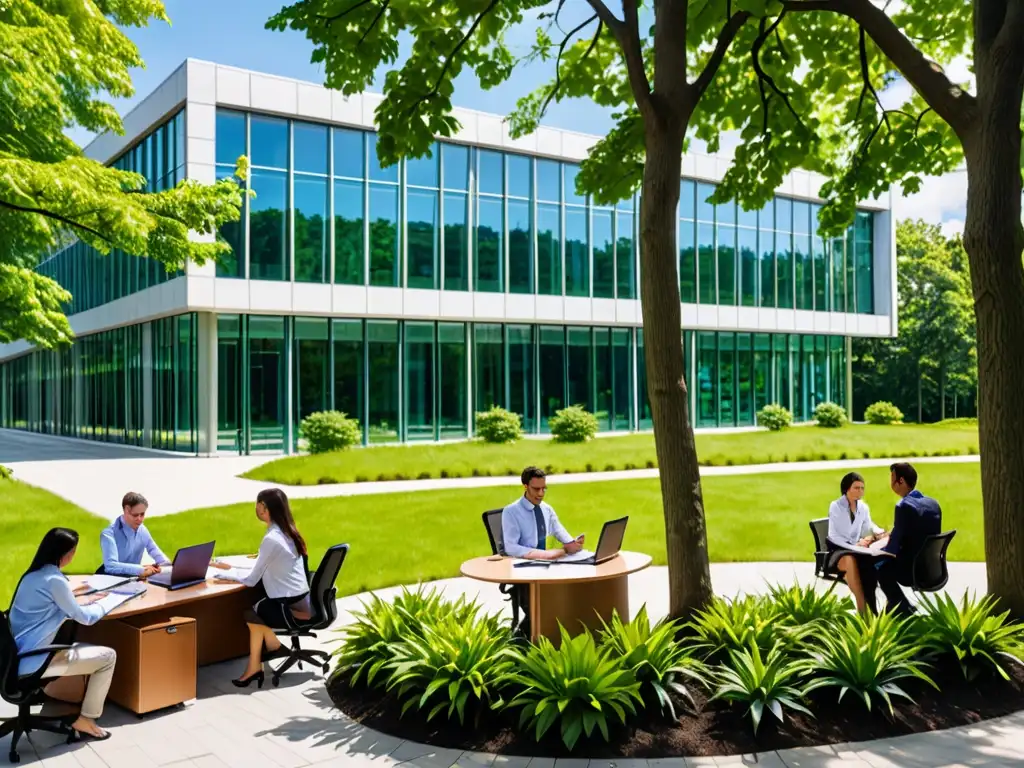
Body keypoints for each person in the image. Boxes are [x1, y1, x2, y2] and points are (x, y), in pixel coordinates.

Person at [8, 528, 118, 741]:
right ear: (65, 553)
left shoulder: (32, 576)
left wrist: (77, 599)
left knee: (78, 644)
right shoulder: (55, 581)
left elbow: (51, 606)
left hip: (14, 658)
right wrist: (107, 603)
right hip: (34, 661)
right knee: (108, 657)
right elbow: (85, 618)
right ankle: (87, 718)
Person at [209, 488, 311, 688]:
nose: (255, 508)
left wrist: (220, 574)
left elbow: (251, 580)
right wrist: (230, 567)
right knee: (256, 609)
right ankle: (263, 656)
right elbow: (263, 567)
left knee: (251, 612)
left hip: (289, 608)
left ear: (264, 508)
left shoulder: (272, 539)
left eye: (257, 504)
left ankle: (264, 656)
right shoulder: (288, 531)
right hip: (302, 601)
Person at [501, 467, 585, 637]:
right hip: (525, 573)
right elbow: (510, 547)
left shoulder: (546, 509)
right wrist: (545, 555)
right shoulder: (511, 512)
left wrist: (572, 544)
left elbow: (560, 531)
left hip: (546, 568)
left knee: (571, 595)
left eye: (544, 488)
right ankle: (520, 641)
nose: (541, 493)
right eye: (536, 489)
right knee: (546, 607)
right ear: (525, 486)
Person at [871, 462, 942, 615]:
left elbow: (892, 548)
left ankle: (901, 608)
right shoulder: (933, 504)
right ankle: (897, 606)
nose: (891, 483)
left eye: (892, 479)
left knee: (877, 565)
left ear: (901, 481)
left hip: (911, 571)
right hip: (931, 568)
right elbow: (914, 531)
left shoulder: (903, 506)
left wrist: (876, 549)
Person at [826, 472, 886, 614]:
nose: (860, 491)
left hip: (856, 550)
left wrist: (879, 532)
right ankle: (862, 607)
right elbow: (838, 536)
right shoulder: (836, 507)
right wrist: (856, 545)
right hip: (838, 550)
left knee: (868, 562)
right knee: (851, 559)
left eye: (862, 488)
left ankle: (872, 604)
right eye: (856, 488)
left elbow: (868, 526)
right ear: (847, 489)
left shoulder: (863, 507)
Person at [98, 492, 171, 578]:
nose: (139, 519)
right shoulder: (109, 534)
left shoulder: (142, 530)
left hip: (132, 580)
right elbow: (110, 566)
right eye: (135, 515)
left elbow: (154, 550)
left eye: (142, 514)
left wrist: (166, 565)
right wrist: (140, 569)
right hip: (107, 581)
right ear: (126, 510)